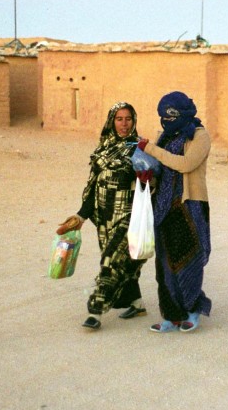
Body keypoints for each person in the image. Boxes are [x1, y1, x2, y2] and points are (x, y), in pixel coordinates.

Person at [56, 102, 148, 330]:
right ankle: (136, 303)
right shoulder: (102, 150)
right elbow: (93, 187)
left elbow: (149, 183)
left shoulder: (140, 148)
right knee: (122, 262)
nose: (124, 124)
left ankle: (95, 312)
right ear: (111, 121)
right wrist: (80, 216)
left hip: (128, 215)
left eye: (128, 119)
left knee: (110, 262)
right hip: (105, 217)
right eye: (119, 119)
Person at [136, 91, 212, 333]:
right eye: (164, 115)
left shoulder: (199, 136)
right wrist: (147, 172)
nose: (167, 120)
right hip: (163, 207)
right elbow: (161, 168)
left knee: (188, 260)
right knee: (164, 264)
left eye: (172, 115)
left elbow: (186, 164)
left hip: (188, 206)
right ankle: (170, 315)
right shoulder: (165, 137)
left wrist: (152, 150)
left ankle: (192, 311)